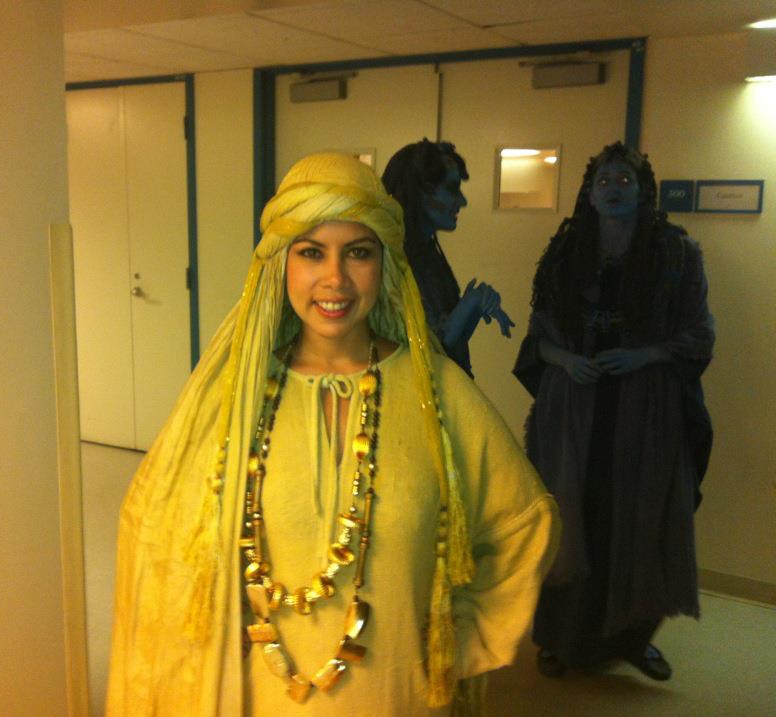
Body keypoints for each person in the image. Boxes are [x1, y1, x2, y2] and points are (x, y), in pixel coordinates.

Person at [106, 152, 558, 716]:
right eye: (312, 252)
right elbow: (154, 534)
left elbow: (525, 523)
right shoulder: (234, 396)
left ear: (385, 265)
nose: (335, 279)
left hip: (398, 699)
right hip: (262, 699)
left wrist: (458, 634)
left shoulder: (439, 393)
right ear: (280, 264)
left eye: (359, 252)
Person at [513, 142, 714, 681]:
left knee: (639, 521)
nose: (613, 188)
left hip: (644, 414)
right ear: (588, 192)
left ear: (644, 191)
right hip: (572, 412)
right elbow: (539, 337)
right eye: (604, 180)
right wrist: (567, 360)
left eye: (625, 179)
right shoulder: (566, 252)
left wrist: (646, 355)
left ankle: (632, 641)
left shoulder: (676, 254)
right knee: (567, 519)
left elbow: (699, 334)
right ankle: (558, 640)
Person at [382, 139, 514, 377]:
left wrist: (473, 306)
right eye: (452, 188)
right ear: (419, 193)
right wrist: (470, 303)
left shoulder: (426, 254)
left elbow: (451, 347)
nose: (462, 201)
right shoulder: (391, 260)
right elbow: (425, 354)